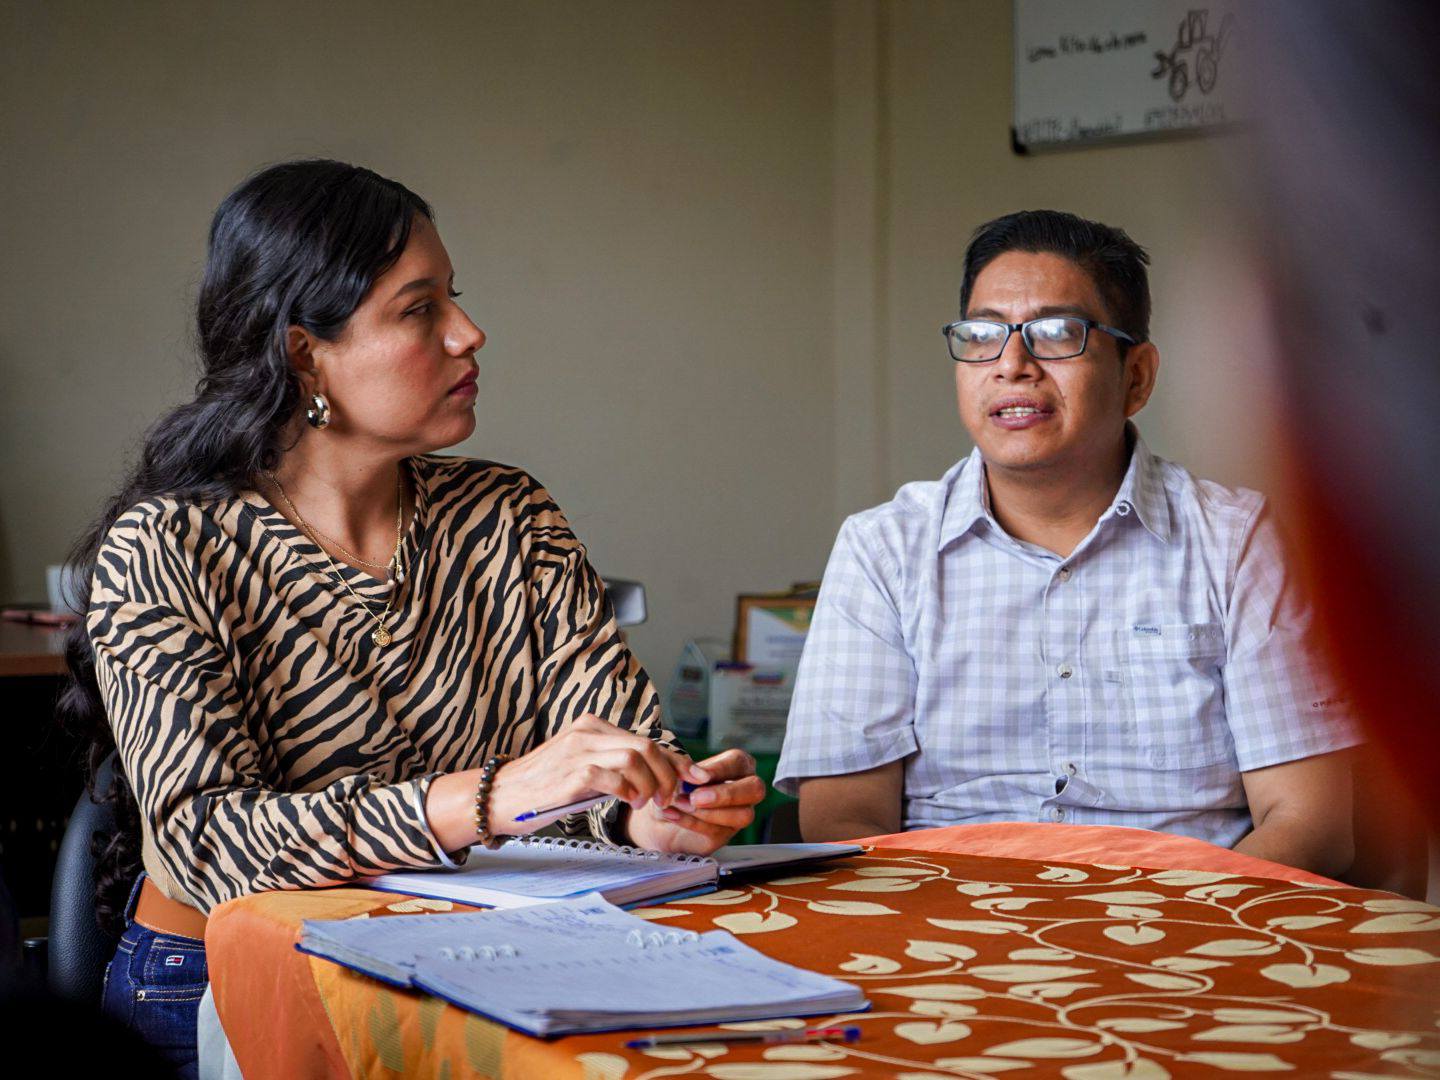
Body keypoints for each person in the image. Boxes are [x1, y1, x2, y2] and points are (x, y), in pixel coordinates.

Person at [62, 159, 763, 1076]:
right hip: (221, 985)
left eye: (453, 299)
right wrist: (495, 795)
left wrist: (649, 817)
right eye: (419, 310)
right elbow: (208, 844)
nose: (469, 334)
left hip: (486, 957)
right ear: (304, 353)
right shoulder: (169, 546)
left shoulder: (510, 514)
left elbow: (606, 754)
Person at [775, 209, 1357, 877]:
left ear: (1136, 376)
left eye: (1056, 334)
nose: (1011, 366)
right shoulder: (883, 550)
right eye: (983, 334)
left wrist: (1151, 921)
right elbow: (844, 820)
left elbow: (1308, 824)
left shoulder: (1238, 542)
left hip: (1187, 912)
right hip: (950, 911)